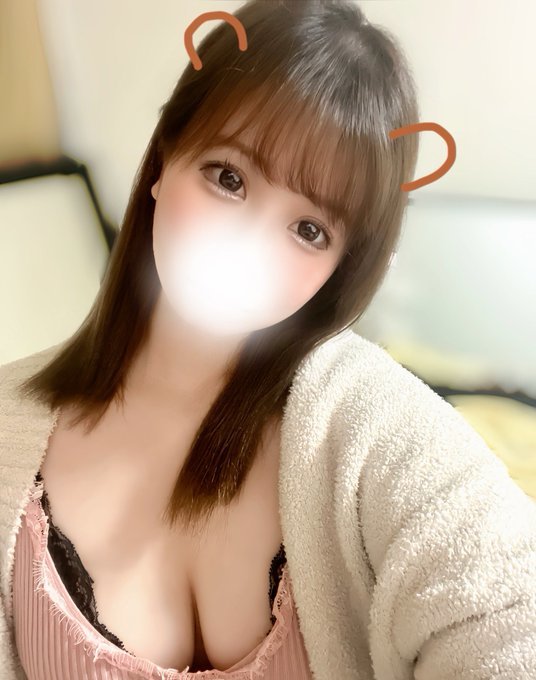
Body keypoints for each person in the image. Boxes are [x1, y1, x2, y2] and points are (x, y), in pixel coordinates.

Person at [1, 1, 535, 678]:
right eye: (229, 178)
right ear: (164, 158)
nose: (249, 242)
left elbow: (510, 618)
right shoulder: (9, 428)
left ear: (340, 270)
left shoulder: (376, 434)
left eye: (310, 229)